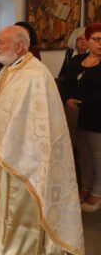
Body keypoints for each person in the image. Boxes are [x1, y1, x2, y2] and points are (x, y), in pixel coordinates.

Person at [0, 25, 84, 255]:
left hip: (24, 162)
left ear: (18, 46)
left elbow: (35, 125)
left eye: (1, 42)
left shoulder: (35, 75)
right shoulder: (11, 69)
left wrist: (8, 145)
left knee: (15, 211)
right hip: (4, 154)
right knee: (0, 209)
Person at [61, 23, 101, 211]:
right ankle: (85, 187)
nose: (100, 43)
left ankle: (98, 193)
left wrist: (82, 104)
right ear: (88, 40)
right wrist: (68, 98)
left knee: (98, 155)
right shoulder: (77, 60)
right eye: (96, 39)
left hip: (96, 116)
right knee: (83, 154)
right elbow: (65, 82)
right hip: (77, 116)